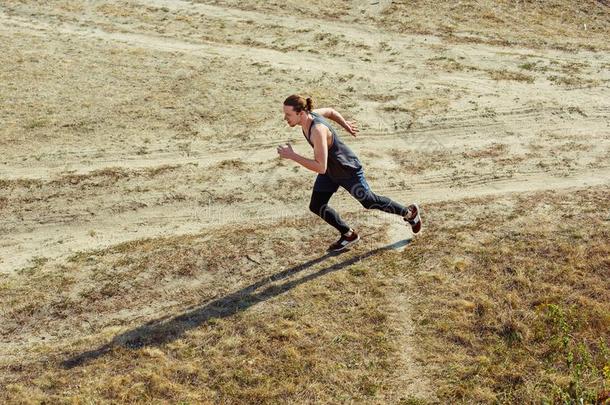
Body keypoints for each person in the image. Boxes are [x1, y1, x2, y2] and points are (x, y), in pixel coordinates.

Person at [277, 94, 422, 252]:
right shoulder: (308, 118)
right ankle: (348, 235)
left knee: (368, 201)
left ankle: (409, 213)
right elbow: (331, 112)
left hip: (347, 170)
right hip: (331, 172)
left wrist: (292, 156)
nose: (285, 118)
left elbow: (320, 167)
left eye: (288, 114)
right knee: (317, 205)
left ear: (301, 113)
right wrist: (345, 124)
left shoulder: (317, 130)